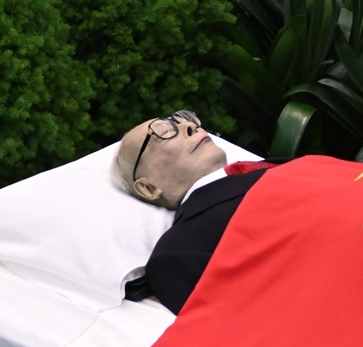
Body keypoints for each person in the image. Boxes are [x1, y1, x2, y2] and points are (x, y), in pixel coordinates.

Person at [113, 110, 275, 314]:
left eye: (184, 119)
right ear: (148, 188)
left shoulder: (271, 167)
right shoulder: (177, 257)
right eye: (163, 131)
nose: (190, 126)